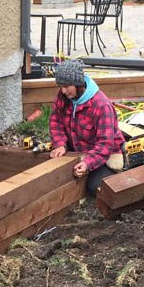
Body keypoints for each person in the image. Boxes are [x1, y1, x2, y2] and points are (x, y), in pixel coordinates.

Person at [48, 59, 123, 196]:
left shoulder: (101, 106)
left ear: (78, 84)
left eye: (66, 86)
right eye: (60, 86)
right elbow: (55, 121)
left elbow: (105, 144)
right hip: (75, 150)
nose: (63, 91)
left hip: (100, 156)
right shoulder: (64, 96)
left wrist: (87, 163)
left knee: (95, 187)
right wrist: (60, 144)